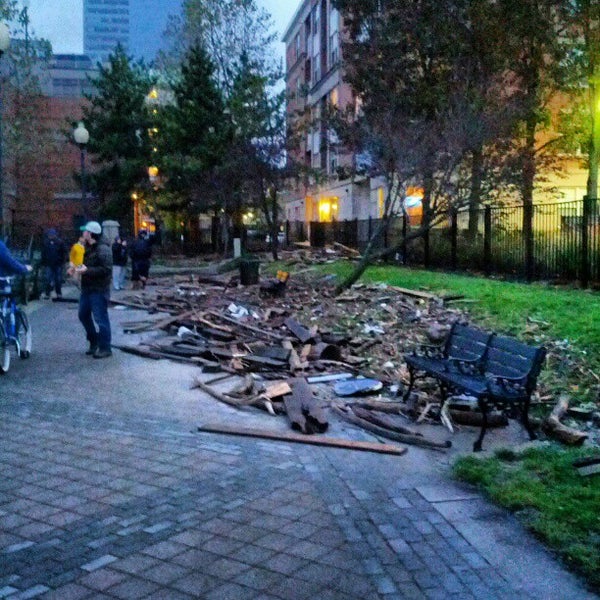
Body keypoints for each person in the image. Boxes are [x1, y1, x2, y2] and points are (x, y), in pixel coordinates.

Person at [77, 221, 113, 359]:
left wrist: (87, 270)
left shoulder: (103, 249)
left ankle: (105, 347)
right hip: (87, 288)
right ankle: (94, 341)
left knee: (101, 318)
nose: (83, 233)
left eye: (85, 231)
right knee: (83, 314)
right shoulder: (87, 247)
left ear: (91, 233)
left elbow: (106, 269)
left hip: (99, 289)